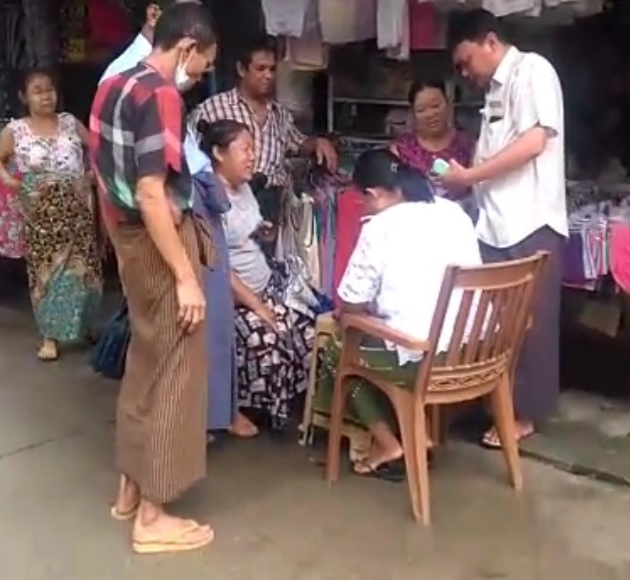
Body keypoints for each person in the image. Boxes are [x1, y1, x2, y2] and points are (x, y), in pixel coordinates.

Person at [90, 2, 218, 554]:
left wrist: (120, 251)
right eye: (204, 63)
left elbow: (101, 179)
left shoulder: (111, 86)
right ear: (186, 47)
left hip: (130, 241)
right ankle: (153, 514)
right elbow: (150, 192)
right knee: (176, 371)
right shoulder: (161, 95)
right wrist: (185, 275)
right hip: (161, 241)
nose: (200, 75)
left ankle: (130, 487)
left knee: (145, 361)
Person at [315, 148, 482, 479]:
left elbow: (349, 299)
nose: (364, 207)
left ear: (374, 194)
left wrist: (358, 313)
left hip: (426, 361)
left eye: (363, 200)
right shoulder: (453, 212)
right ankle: (420, 434)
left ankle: (389, 443)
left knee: (339, 349)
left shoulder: (381, 226)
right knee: (380, 335)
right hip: (474, 352)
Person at [441, 9, 565, 449]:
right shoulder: (493, 90)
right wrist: (465, 186)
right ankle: (496, 404)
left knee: (531, 324)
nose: (465, 72)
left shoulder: (533, 70)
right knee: (496, 326)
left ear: (490, 42)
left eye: (466, 61)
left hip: (530, 220)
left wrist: (470, 177)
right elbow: (493, 153)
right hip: (493, 225)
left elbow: (534, 142)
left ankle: (524, 415)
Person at [197, 119, 316, 435]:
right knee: (270, 337)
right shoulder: (210, 200)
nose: (253, 156)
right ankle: (239, 408)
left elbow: (246, 233)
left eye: (254, 149)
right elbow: (220, 268)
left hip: (266, 284)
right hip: (236, 300)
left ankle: (302, 406)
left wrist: (263, 232)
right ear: (219, 153)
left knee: (308, 326)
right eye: (245, 149)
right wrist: (259, 307)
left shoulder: (244, 187)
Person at [0, 68, 103, 362]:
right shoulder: (16, 131)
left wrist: (92, 174)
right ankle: (50, 336)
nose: (45, 96)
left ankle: (84, 327)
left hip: (77, 212)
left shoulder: (70, 123)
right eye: (37, 91)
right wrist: (10, 180)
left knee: (83, 271)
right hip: (41, 217)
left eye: (49, 90)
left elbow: (99, 148)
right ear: (24, 97)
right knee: (47, 273)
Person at [191, 35, 338, 225]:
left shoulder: (280, 114)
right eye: (260, 69)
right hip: (229, 208)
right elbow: (190, 157)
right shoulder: (212, 109)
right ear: (242, 69)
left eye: (272, 69)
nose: (268, 75)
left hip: (273, 205)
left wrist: (319, 143)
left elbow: (298, 142)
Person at [99, 0, 210, 176]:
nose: (201, 31)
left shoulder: (170, 72)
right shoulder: (123, 75)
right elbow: (147, 175)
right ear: (153, 15)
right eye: (187, 18)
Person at [191, 121, 237, 436]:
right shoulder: (200, 172)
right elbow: (220, 202)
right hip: (205, 261)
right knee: (209, 336)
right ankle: (206, 418)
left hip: (203, 259)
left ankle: (207, 418)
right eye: (246, 149)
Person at [391, 79, 476, 221]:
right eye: (421, 110)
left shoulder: (469, 145)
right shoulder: (400, 150)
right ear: (412, 113)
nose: (430, 114)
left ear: (448, 105)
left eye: (436, 106)